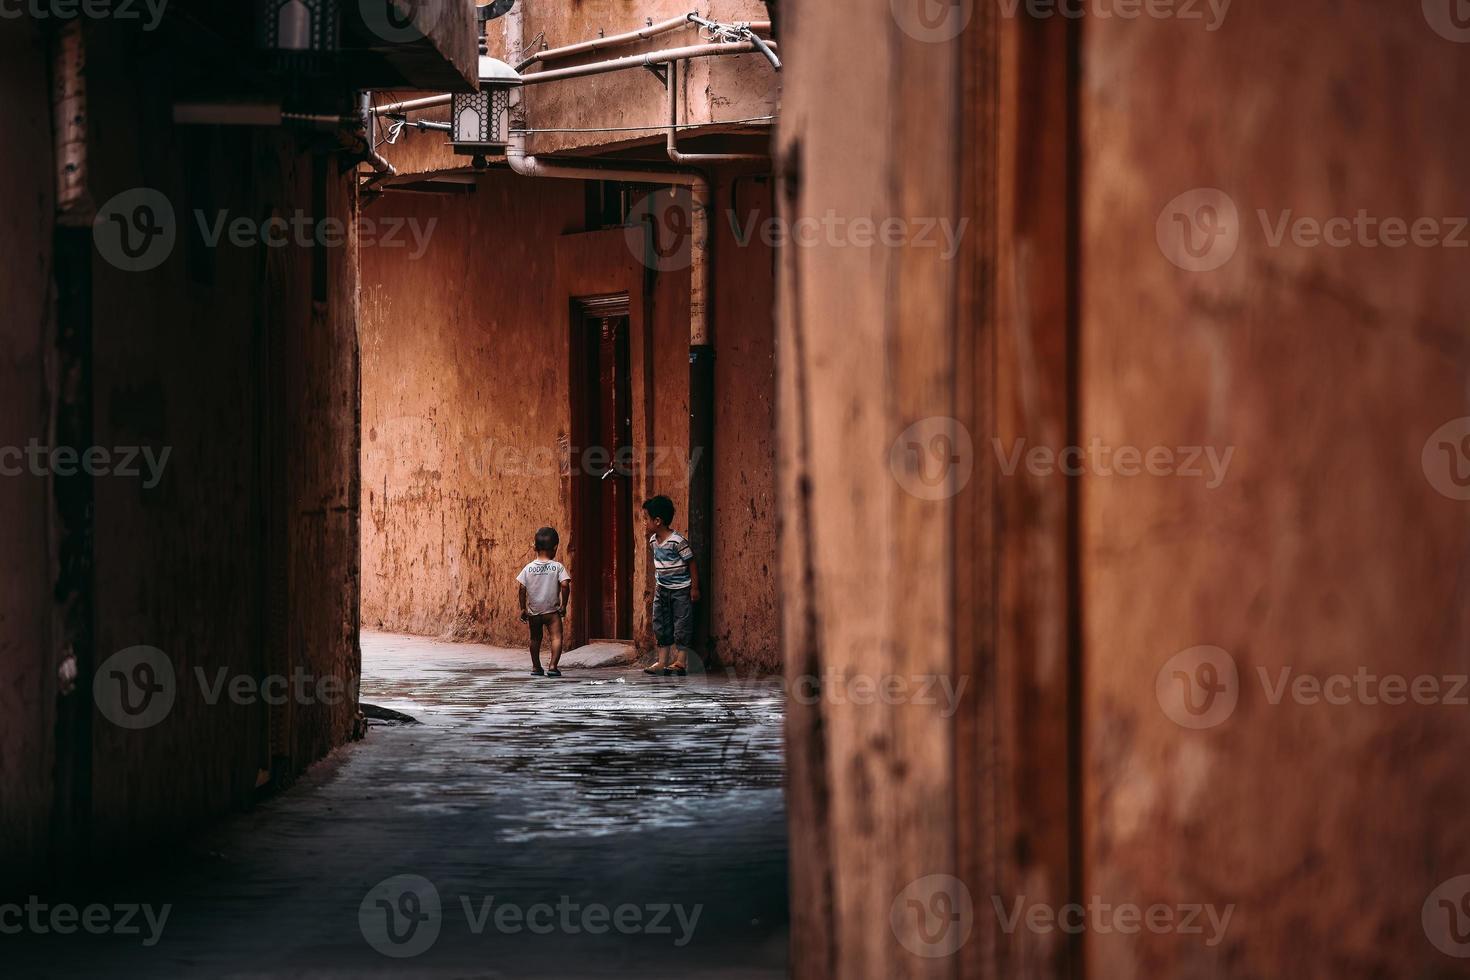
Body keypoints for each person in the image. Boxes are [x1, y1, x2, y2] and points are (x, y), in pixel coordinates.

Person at [642, 495, 699, 677]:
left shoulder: (677, 541)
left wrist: (694, 588)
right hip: (662, 590)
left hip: (681, 590)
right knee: (661, 624)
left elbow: (691, 563)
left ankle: (681, 662)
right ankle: (662, 661)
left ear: (657, 521)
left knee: (682, 624)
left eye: (646, 518)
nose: (644, 522)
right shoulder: (653, 541)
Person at [516, 527, 571, 677]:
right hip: (552, 612)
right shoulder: (558, 567)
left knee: (535, 639)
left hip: (534, 611)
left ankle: (536, 667)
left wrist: (523, 608)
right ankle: (553, 666)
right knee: (556, 637)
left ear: (535, 547)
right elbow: (565, 585)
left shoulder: (528, 568)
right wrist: (563, 605)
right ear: (555, 548)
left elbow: (522, 588)